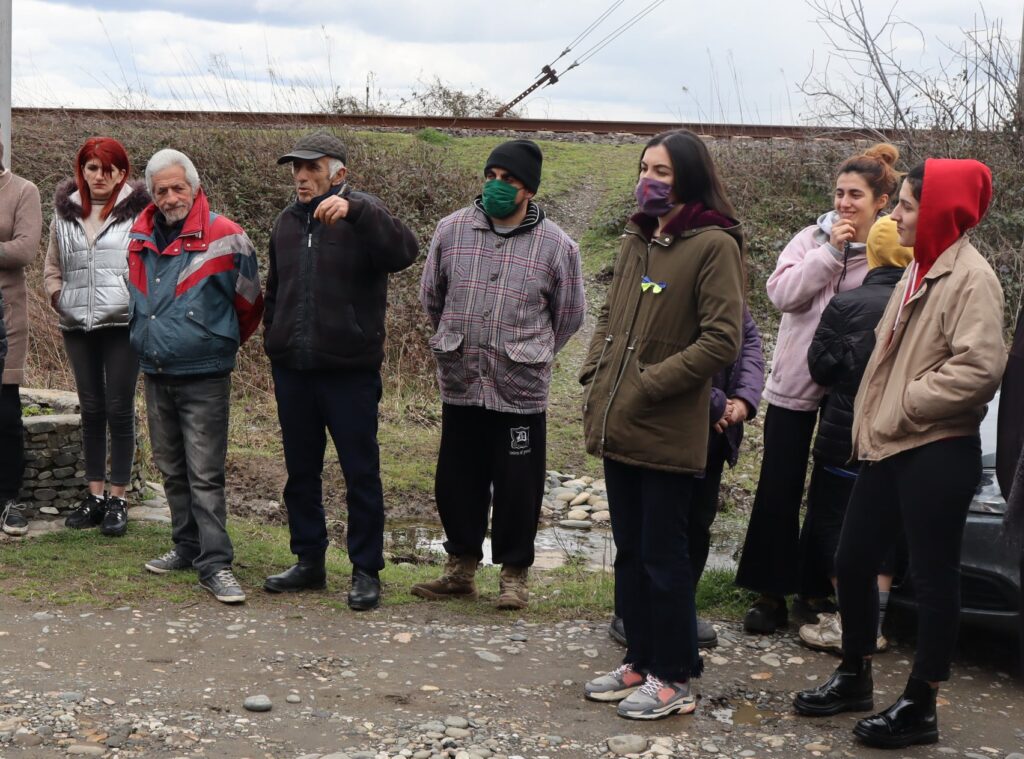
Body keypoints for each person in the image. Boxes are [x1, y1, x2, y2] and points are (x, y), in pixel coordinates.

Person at [794, 159, 1005, 750]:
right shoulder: (919, 267)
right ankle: (854, 674)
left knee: (935, 578)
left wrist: (906, 402)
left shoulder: (972, 278)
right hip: (891, 445)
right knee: (854, 557)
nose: (896, 217)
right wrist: (882, 416)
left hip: (937, 449)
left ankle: (921, 703)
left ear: (939, 212)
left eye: (908, 206)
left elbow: (980, 368)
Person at [580, 129, 744, 720]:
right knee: (629, 550)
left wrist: (650, 382)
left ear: (689, 179)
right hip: (620, 418)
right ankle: (639, 660)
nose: (648, 180)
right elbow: (611, 315)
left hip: (669, 427)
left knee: (663, 556)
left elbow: (722, 339)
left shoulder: (714, 244)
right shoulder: (638, 236)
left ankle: (674, 676)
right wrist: (597, 371)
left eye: (663, 172)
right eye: (645, 168)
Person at [735, 144, 900, 634]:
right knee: (778, 486)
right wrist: (829, 254)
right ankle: (769, 593)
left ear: (881, 202)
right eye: (840, 193)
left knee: (832, 495)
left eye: (856, 195)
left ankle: (814, 590)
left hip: (848, 396)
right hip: (794, 384)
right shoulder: (810, 239)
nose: (845, 203)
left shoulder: (887, 250)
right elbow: (781, 295)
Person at [414, 139, 585, 610]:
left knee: (518, 485)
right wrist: (458, 338)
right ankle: (460, 570)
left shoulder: (557, 246)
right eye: (491, 176)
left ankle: (513, 576)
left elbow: (570, 315)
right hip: (462, 381)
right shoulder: (451, 230)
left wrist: (531, 352)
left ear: (529, 189)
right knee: (457, 478)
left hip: (519, 389)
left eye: (508, 180)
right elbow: (432, 297)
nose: (496, 186)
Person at [263, 132, 419, 611]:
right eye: (296, 168)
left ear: (339, 174)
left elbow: (405, 252)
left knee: (360, 473)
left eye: (312, 167)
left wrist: (358, 212)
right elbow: (275, 290)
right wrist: (275, 340)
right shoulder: (285, 223)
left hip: (350, 372)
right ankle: (309, 561)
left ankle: (366, 570)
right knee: (300, 473)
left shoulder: (365, 215)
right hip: (294, 370)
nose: (301, 176)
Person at [128, 149, 264, 604]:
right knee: (171, 469)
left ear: (195, 187)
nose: (170, 198)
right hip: (155, 370)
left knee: (205, 473)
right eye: (161, 190)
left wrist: (211, 341)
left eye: (177, 188)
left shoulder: (227, 236)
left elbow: (249, 304)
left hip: (205, 374)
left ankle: (216, 563)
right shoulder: (139, 236)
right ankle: (186, 547)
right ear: (152, 193)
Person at [609, 304, 764, 650]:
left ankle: (679, 609)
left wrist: (742, 400)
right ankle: (632, 612)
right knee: (647, 524)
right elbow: (661, 353)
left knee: (696, 524)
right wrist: (712, 404)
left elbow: (748, 337)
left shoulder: (728, 284)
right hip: (664, 429)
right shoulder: (670, 279)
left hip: (713, 439)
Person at [797, 216, 911, 654]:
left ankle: (850, 623)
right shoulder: (920, 303)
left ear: (874, 254)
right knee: (884, 528)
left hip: (844, 439)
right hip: (897, 439)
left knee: (833, 523)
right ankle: (875, 622)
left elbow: (820, 367)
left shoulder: (847, 304)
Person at [42, 137, 149, 537]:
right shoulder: (64, 213)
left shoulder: (141, 214)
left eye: (108, 170)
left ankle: (118, 499)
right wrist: (59, 297)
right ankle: (95, 496)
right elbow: (52, 265)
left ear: (122, 173)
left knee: (119, 409)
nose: (99, 176)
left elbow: (149, 264)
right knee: (90, 409)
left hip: (122, 324)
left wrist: (137, 302)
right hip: (77, 326)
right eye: (92, 168)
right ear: (82, 171)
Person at [0, 142, 42, 537]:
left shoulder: (22, 191)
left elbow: (24, 249)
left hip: (5, 316)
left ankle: (8, 499)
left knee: (6, 415)